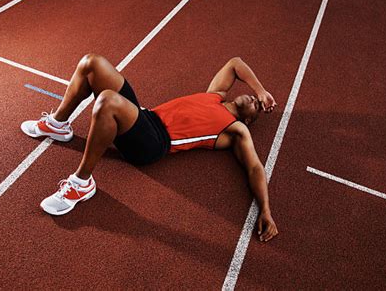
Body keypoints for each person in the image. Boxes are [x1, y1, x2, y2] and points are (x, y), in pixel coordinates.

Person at [21, 54, 279, 242]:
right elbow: (235, 63)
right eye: (256, 99)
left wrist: (265, 209)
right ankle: (58, 124)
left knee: (107, 102)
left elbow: (255, 167)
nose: (255, 100)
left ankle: (82, 184)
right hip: (145, 118)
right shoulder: (215, 94)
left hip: (154, 143)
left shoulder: (235, 129)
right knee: (92, 63)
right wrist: (262, 90)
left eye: (257, 106)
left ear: (248, 120)